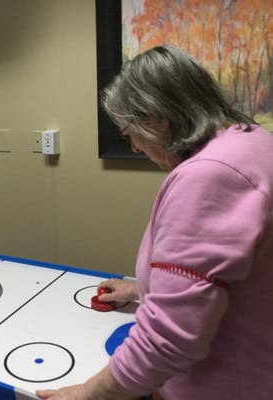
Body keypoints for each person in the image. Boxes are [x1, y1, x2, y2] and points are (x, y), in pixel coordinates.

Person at [37, 45, 273, 400]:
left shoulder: (210, 176)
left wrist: (85, 394)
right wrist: (140, 290)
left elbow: (169, 339)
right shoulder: (253, 141)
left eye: (130, 130)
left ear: (159, 118)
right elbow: (230, 275)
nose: (133, 145)